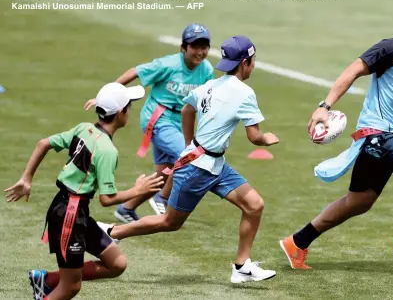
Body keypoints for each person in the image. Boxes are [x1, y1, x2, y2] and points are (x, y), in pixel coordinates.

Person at [279, 0, 393, 269]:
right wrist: (324, 106)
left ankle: (297, 243)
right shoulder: (392, 49)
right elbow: (353, 70)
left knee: (360, 201)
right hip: (376, 134)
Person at [97, 35, 279, 283]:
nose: (253, 65)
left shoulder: (208, 85)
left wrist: (189, 143)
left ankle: (241, 266)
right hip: (197, 169)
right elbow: (254, 137)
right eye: (253, 61)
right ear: (245, 63)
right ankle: (111, 231)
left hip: (215, 165)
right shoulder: (245, 93)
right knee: (170, 222)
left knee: (254, 205)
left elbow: (187, 109)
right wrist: (267, 138)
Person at [5, 82, 163, 300]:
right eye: (129, 107)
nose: (130, 111)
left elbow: (43, 143)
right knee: (71, 287)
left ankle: (45, 280)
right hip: (70, 215)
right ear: (120, 113)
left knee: (117, 263)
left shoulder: (83, 128)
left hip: (73, 210)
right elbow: (107, 200)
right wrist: (138, 190)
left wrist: (27, 178)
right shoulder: (108, 151)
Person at [83, 24, 215, 223]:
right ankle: (162, 197)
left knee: (164, 173)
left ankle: (126, 209)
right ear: (184, 48)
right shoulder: (168, 65)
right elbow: (134, 71)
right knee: (189, 155)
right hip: (158, 118)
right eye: (195, 46)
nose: (200, 52)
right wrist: (107, 94)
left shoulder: (206, 70)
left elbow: (206, 99)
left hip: (179, 122)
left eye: (204, 46)